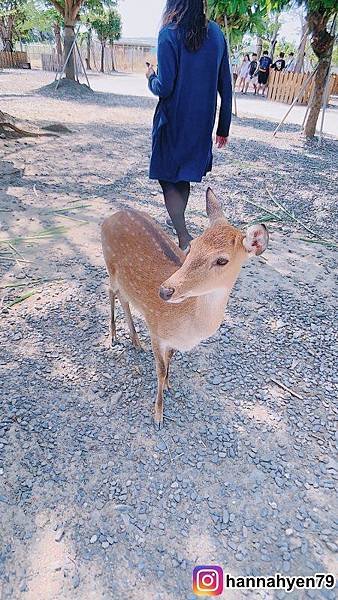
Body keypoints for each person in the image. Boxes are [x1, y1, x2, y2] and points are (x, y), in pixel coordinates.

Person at [146, 0, 232, 252]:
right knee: (182, 175)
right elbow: (225, 85)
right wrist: (223, 127)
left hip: (173, 120)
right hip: (201, 122)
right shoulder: (216, 33)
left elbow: (165, 87)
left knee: (167, 176)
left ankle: (184, 237)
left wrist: (151, 76)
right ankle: (182, 234)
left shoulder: (169, 33)